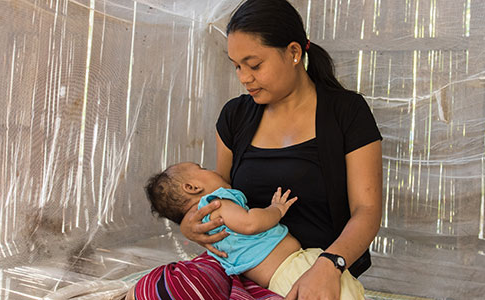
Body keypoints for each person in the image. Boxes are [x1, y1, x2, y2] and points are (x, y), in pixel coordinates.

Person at [178, 0, 384, 299]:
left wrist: (330, 264)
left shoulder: (346, 112)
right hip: (241, 270)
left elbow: (367, 210)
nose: (244, 78)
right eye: (236, 66)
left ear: (294, 53)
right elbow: (215, 196)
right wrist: (190, 226)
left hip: (317, 272)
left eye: (255, 65)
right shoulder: (235, 116)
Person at [138, 162, 365, 298]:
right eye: (202, 168)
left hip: (277, 282)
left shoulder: (204, 227)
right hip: (293, 268)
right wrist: (275, 210)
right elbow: (250, 223)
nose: (212, 169)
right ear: (193, 187)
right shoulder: (216, 204)